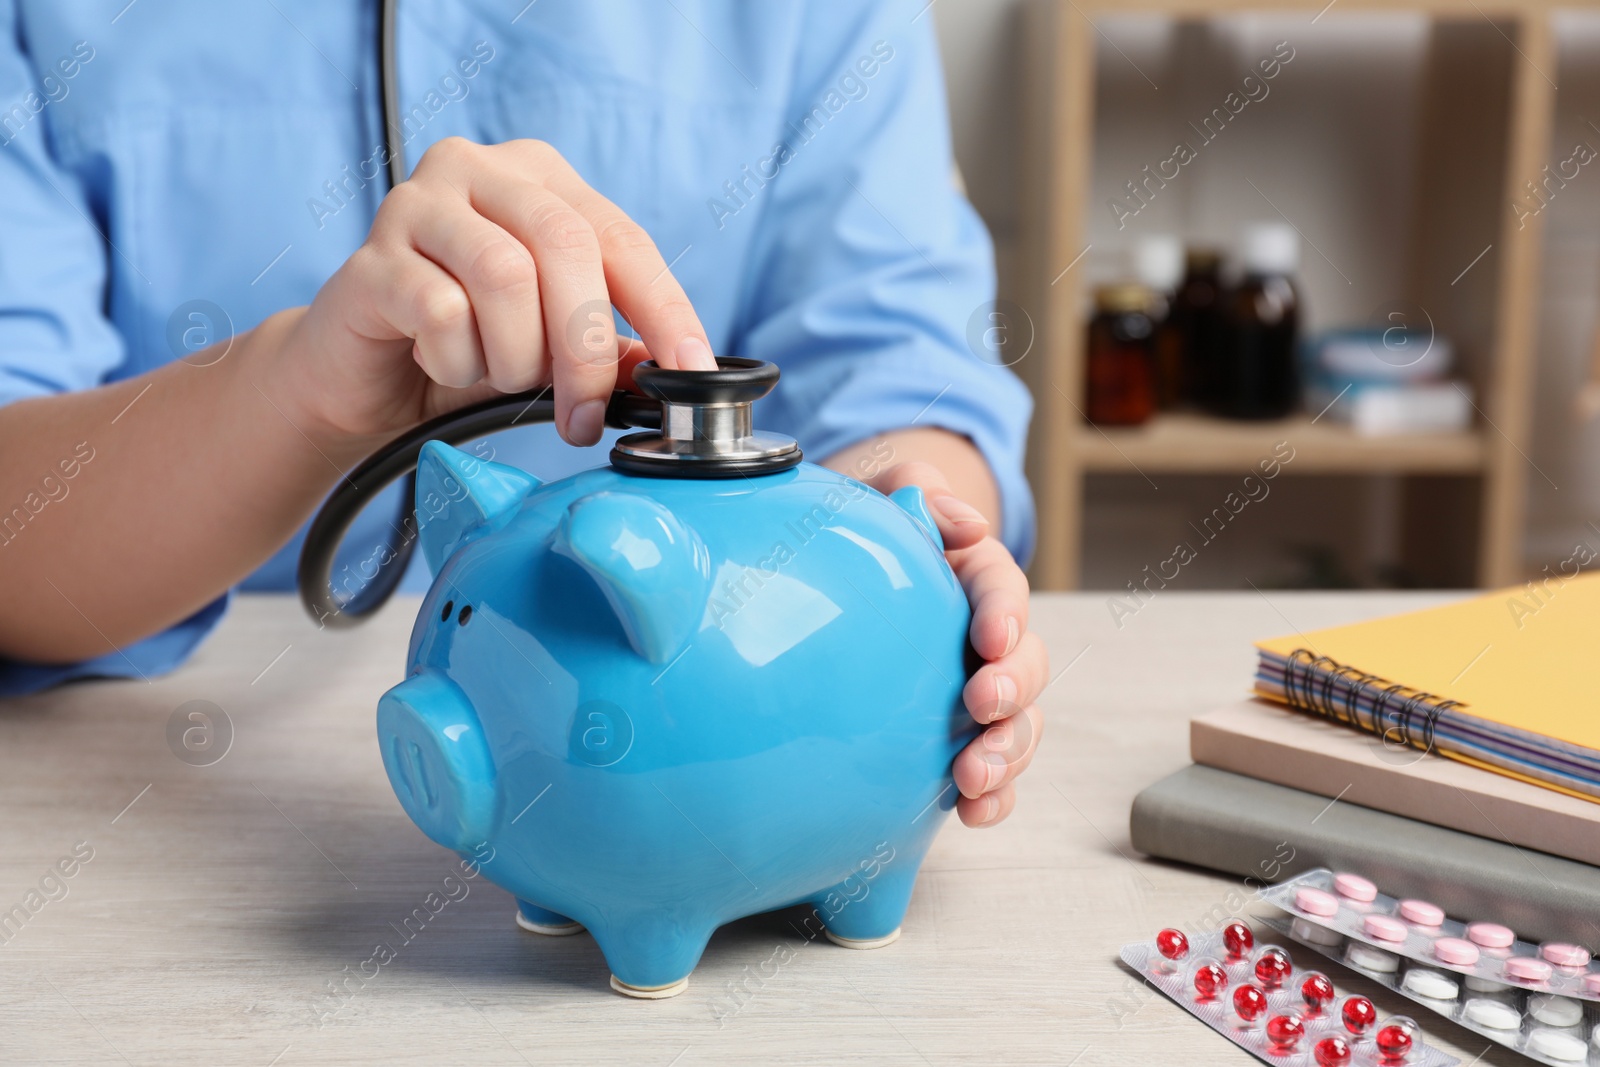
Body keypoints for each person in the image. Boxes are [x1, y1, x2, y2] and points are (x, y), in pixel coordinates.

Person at [0, 2, 1044, 826]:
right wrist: (291, 389)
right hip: (116, 776)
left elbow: (910, 380)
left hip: (723, 729)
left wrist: (895, 563)